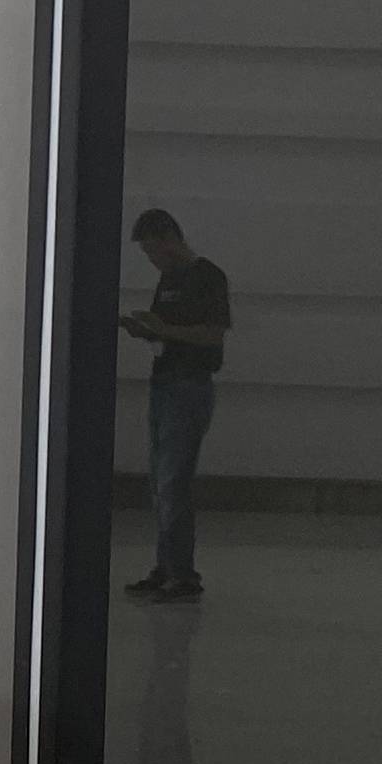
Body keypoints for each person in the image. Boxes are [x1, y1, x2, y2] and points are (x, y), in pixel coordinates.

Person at [120, 207, 230, 603]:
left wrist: (164, 329)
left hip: (189, 387)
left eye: (153, 250)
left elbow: (213, 334)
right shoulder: (167, 280)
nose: (152, 260)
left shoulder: (208, 276)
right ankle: (166, 567)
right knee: (161, 483)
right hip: (164, 384)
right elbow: (166, 333)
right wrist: (146, 331)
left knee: (173, 482)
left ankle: (183, 575)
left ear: (171, 239)